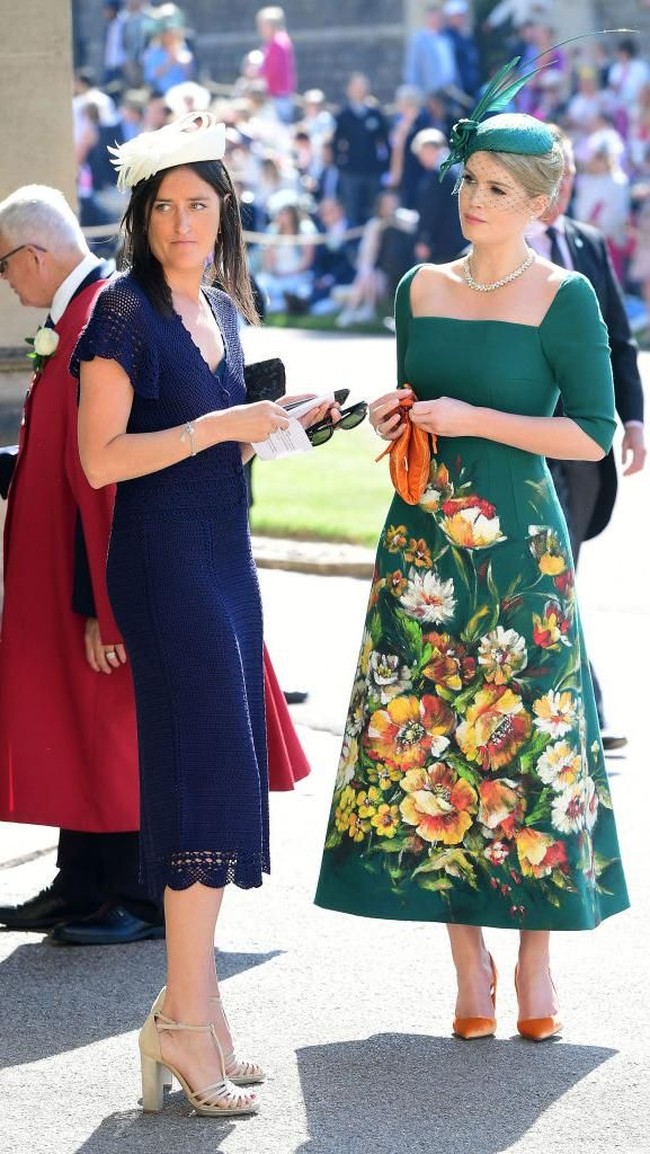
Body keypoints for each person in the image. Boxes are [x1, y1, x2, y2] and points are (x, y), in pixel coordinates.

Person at [315, 99, 630, 1042]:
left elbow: (592, 432)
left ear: (541, 203)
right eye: (468, 181)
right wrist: (396, 414)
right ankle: (468, 963)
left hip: (524, 554)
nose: (474, 198)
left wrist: (477, 419)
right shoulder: (418, 286)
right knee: (432, 745)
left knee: (531, 745)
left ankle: (535, 960)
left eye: (497, 187)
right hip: (423, 545)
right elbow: (420, 403)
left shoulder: (566, 296)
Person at [72, 111, 336, 1116]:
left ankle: (196, 1008)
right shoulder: (120, 313)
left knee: (221, 772)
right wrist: (217, 423)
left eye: (200, 203)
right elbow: (101, 460)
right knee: (197, 776)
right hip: (162, 561)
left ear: (223, 211)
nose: (184, 221)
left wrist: (280, 425)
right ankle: (184, 1021)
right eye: (165, 206)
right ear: (141, 218)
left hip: (224, 553)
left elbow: (220, 440)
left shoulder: (220, 306)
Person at [0, 185, 163, 945]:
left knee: (113, 729)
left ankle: (139, 896)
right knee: (78, 726)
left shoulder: (102, 318)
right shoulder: (73, 317)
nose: (7, 282)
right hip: (64, 571)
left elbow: (107, 481)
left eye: (4, 265)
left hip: (93, 572)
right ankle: (82, 884)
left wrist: (104, 599)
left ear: (33, 254)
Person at [528, 126, 646, 750]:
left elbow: (618, 339)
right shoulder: (494, 248)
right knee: (553, 573)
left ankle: (573, 708)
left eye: (570, 175)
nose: (565, 188)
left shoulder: (587, 243)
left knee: (562, 571)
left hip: (585, 444)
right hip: (526, 439)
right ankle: (582, 709)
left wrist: (634, 419)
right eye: (555, 176)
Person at [255, 5, 297, 126]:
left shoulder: (278, 43)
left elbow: (273, 70)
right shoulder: (278, 41)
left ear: (271, 25)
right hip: (279, 96)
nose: (260, 30)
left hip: (278, 97)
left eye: (263, 25)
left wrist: (257, 74)